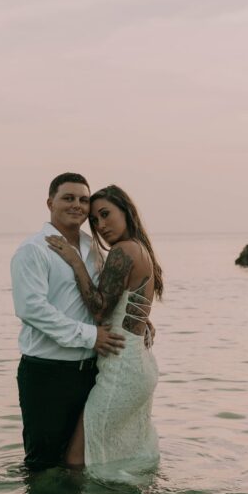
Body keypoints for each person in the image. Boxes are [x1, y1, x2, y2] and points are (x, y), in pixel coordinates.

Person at [11, 172, 127, 472]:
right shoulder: (33, 250)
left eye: (83, 200)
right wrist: (91, 337)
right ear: (50, 202)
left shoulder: (94, 249)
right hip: (47, 373)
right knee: (43, 463)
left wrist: (134, 320)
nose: (77, 205)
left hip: (91, 374)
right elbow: (32, 309)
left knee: (82, 463)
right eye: (68, 198)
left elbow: (101, 300)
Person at [45, 184, 163, 476]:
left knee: (76, 459)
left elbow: (99, 308)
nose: (101, 225)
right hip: (136, 363)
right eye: (95, 220)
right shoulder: (140, 249)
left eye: (106, 214)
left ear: (126, 211)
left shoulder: (123, 250)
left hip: (123, 369)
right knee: (117, 450)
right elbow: (129, 307)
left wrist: (75, 261)